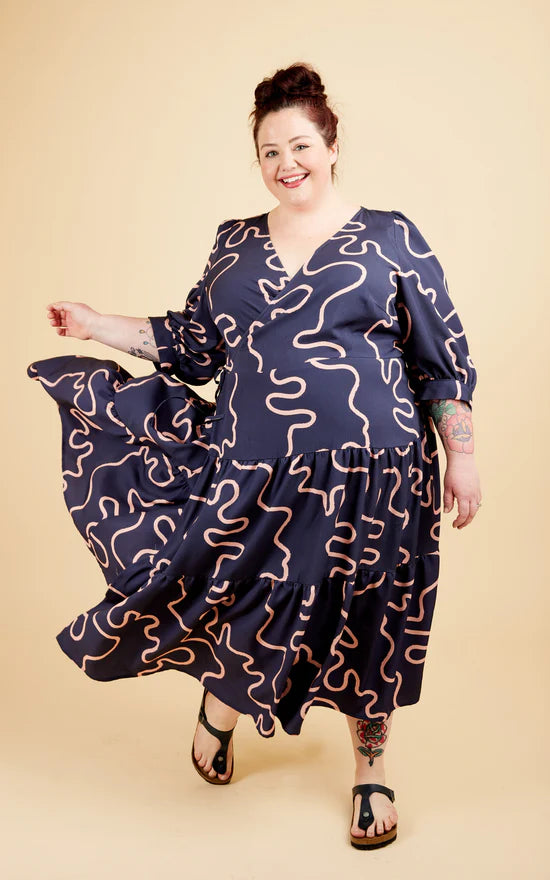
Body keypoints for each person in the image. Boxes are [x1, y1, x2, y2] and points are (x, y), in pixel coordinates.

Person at [27, 61, 481, 850]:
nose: (286, 163)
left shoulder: (391, 237)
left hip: (378, 479)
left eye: (300, 145)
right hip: (254, 473)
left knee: (369, 617)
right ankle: (221, 704)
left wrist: (462, 454)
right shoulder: (234, 245)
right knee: (240, 600)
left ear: (331, 146)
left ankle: (371, 771)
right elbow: (192, 346)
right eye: (270, 151)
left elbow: (440, 362)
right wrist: (97, 324)